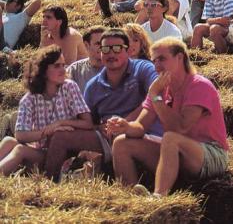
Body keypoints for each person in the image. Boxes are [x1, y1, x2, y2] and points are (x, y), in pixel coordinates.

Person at [110, 37, 228, 197]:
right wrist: (126, 126)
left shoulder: (199, 85)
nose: (157, 66)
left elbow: (180, 127)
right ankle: (130, 200)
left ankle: (158, 197)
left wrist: (155, 96)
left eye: (162, 59)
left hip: (211, 154)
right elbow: (140, 127)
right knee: (121, 143)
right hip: (176, 151)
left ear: (180, 58)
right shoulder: (160, 90)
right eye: (154, 61)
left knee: (170, 138)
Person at [43, 28, 160, 181]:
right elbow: (89, 121)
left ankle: (129, 194)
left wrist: (127, 122)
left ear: (128, 50)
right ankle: (47, 187)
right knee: (59, 137)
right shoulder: (93, 86)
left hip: (143, 131)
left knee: (122, 142)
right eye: (105, 49)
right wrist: (100, 127)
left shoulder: (143, 68)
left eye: (117, 48)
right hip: (108, 137)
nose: (111, 53)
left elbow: (157, 92)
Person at [0, 45, 93, 177]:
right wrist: (46, 132)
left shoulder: (69, 87)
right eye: (56, 66)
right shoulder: (30, 98)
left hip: (63, 150)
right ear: (43, 71)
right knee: (9, 140)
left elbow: (88, 123)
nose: (63, 70)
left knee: (20, 150)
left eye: (63, 65)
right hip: (40, 149)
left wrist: (60, 123)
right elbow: (20, 134)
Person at [67, 26, 107, 92]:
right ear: (86, 45)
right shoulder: (74, 71)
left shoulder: (116, 68)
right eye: (98, 44)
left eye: (105, 44)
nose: (103, 47)